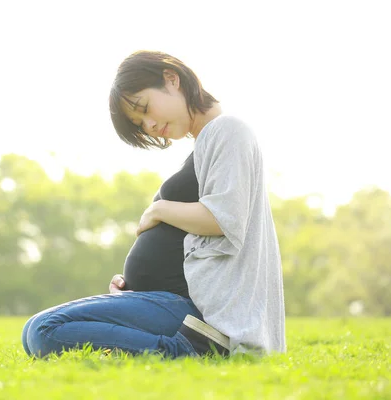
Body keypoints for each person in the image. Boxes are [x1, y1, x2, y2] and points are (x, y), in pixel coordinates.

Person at [21, 50, 286, 358]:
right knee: (32, 334)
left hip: (197, 315)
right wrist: (135, 292)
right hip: (169, 301)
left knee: (44, 330)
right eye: (140, 122)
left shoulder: (228, 130)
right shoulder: (206, 145)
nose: (149, 124)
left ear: (171, 79)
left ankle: (190, 351)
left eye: (145, 108)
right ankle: (156, 349)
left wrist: (159, 209)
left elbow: (224, 219)